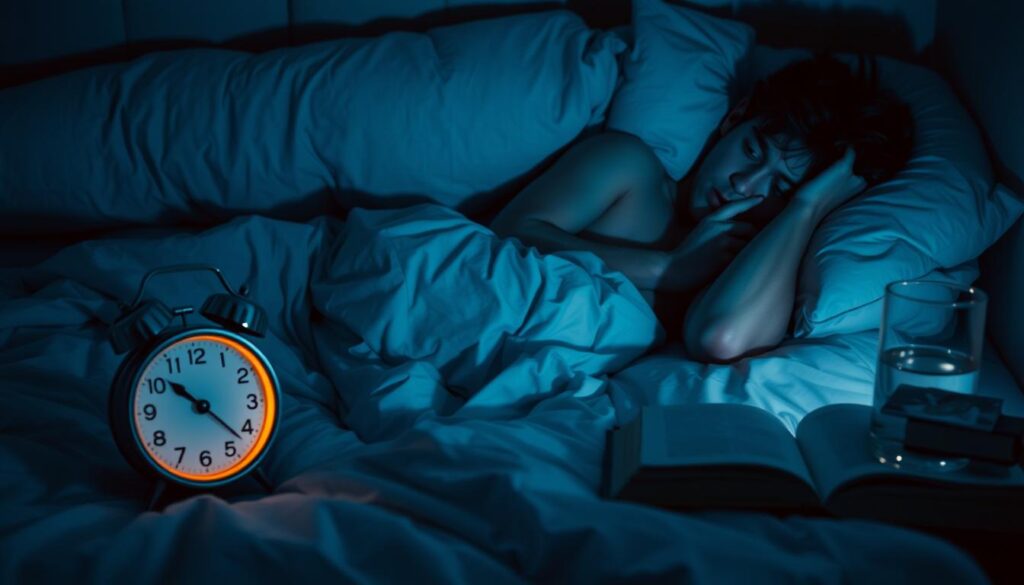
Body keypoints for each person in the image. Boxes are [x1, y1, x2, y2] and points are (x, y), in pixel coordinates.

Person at [490, 54, 914, 362]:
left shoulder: (745, 266)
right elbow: (510, 229)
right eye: (751, 150)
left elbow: (720, 337)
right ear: (735, 118)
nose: (745, 184)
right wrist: (665, 268)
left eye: (779, 188)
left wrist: (805, 207)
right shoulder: (630, 168)